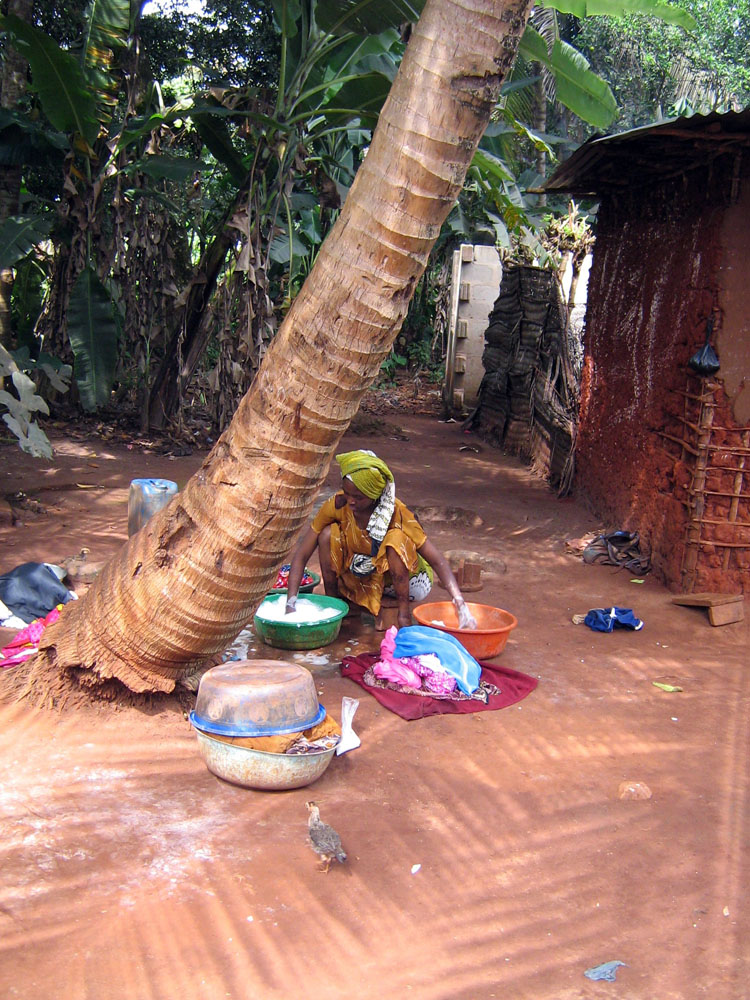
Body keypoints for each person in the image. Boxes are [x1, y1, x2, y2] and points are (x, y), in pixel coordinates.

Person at [285, 449, 477, 631]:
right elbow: (302, 555)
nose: (350, 500)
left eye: (358, 497)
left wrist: (460, 603)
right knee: (327, 535)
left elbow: (436, 559)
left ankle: (403, 613)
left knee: (395, 540)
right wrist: (290, 602)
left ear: (374, 495)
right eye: (347, 493)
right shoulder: (337, 504)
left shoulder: (397, 512)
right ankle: (335, 605)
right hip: (364, 576)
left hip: (406, 583)